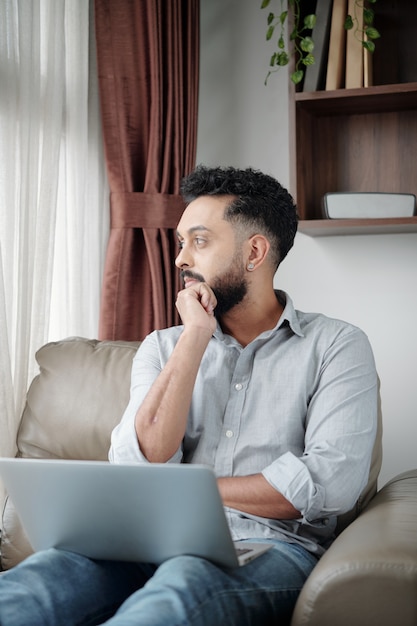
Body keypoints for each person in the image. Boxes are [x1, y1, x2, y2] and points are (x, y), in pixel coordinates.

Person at [0, 165, 378, 625]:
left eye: (198, 241)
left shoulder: (337, 345)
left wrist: (194, 495)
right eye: (181, 243)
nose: (180, 259)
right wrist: (194, 338)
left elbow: (330, 484)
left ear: (254, 252)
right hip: (139, 542)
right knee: (35, 583)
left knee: (174, 596)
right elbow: (140, 462)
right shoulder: (163, 347)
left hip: (268, 548)